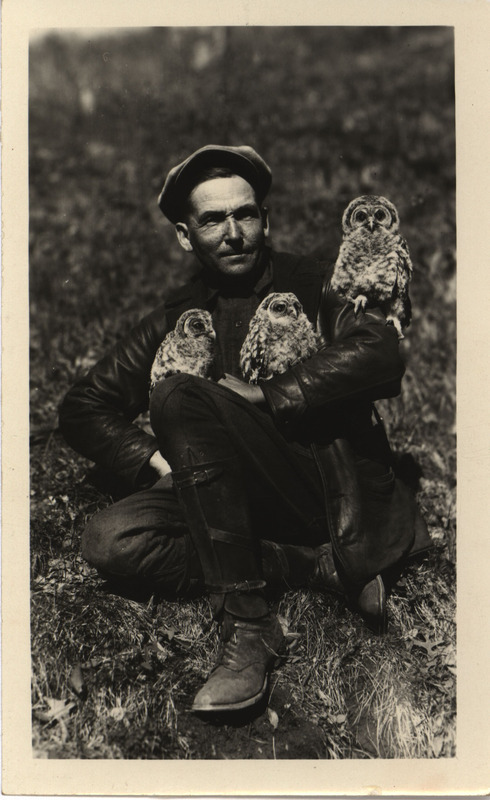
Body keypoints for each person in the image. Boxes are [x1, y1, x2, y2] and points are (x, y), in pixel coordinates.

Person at [59, 145, 431, 713]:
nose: (233, 232)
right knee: (109, 541)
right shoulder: (177, 316)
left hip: (320, 485)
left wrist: (273, 393)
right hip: (224, 493)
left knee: (178, 394)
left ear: (265, 218)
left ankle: (249, 626)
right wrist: (154, 462)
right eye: (212, 219)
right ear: (186, 236)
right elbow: (84, 404)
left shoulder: (313, 283)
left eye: (246, 214)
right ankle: (312, 565)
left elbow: (381, 353)